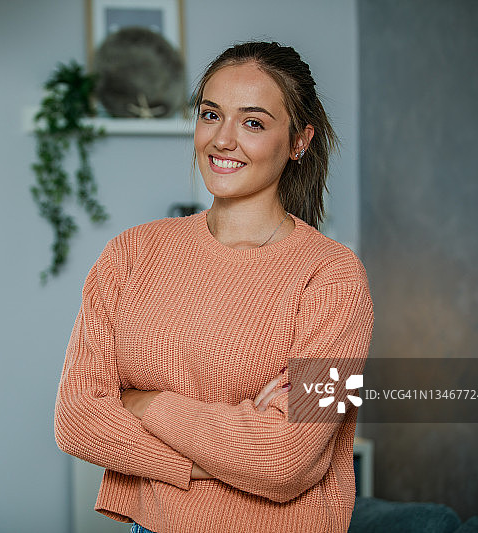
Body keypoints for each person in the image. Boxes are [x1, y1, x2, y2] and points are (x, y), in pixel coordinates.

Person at [54, 41, 373, 533]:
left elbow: (287, 461)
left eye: (253, 122)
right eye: (210, 114)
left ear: (298, 141)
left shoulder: (336, 277)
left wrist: (145, 402)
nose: (222, 140)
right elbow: (76, 420)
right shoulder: (130, 253)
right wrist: (218, 456)